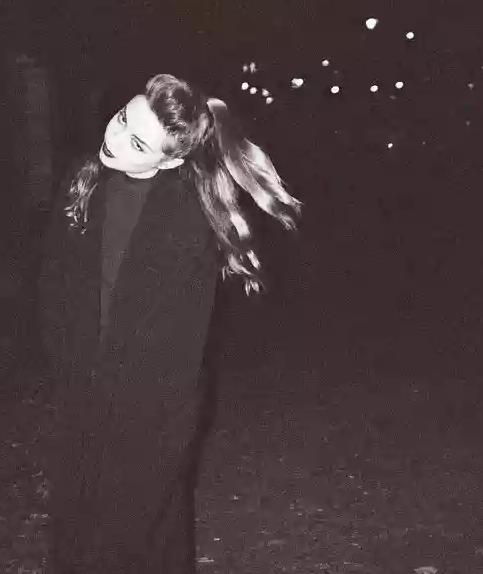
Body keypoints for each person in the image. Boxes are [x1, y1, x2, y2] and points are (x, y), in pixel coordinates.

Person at [37, 73, 301, 573]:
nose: (115, 140)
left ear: (171, 161)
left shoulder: (188, 218)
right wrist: (65, 359)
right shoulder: (83, 177)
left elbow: (181, 342)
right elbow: (54, 280)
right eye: (121, 119)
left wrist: (158, 424)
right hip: (81, 390)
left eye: (138, 143)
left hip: (152, 407)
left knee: (137, 535)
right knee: (77, 524)